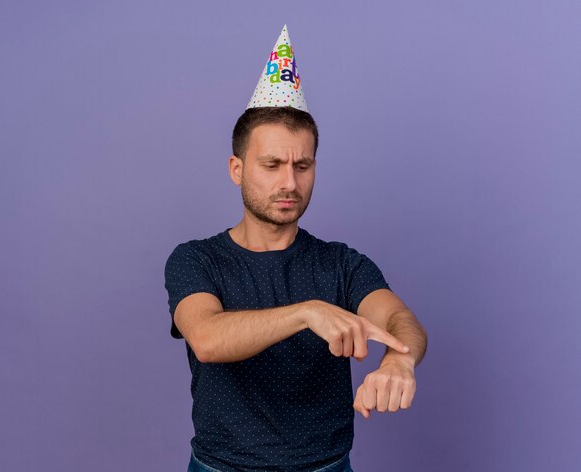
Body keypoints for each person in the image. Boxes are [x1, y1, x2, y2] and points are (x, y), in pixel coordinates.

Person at [164, 25, 427, 472]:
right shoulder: (196, 259)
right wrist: (307, 313)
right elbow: (207, 338)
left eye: (301, 165)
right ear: (237, 168)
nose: (289, 182)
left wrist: (400, 362)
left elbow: (403, 322)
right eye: (272, 165)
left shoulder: (341, 264)